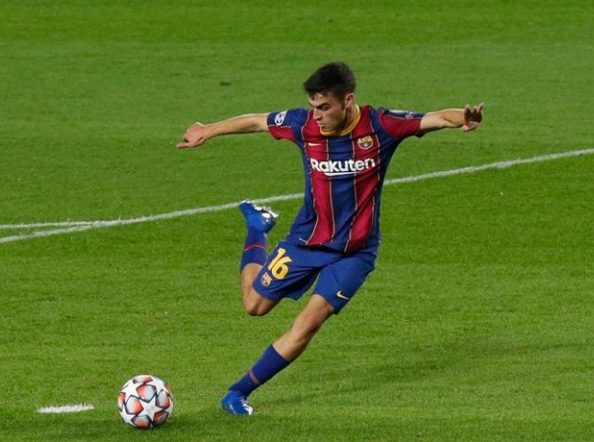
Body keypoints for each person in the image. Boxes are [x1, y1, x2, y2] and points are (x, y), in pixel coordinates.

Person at [177, 61, 484, 415]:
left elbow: (435, 118)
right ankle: (258, 228)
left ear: (348, 101)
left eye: (324, 107)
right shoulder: (303, 125)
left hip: (355, 252)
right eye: (313, 107)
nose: (317, 116)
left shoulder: (380, 125)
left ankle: (237, 393)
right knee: (254, 306)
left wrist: (463, 118)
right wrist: (208, 130)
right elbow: (257, 121)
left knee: (309, 322)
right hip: (306, 242)